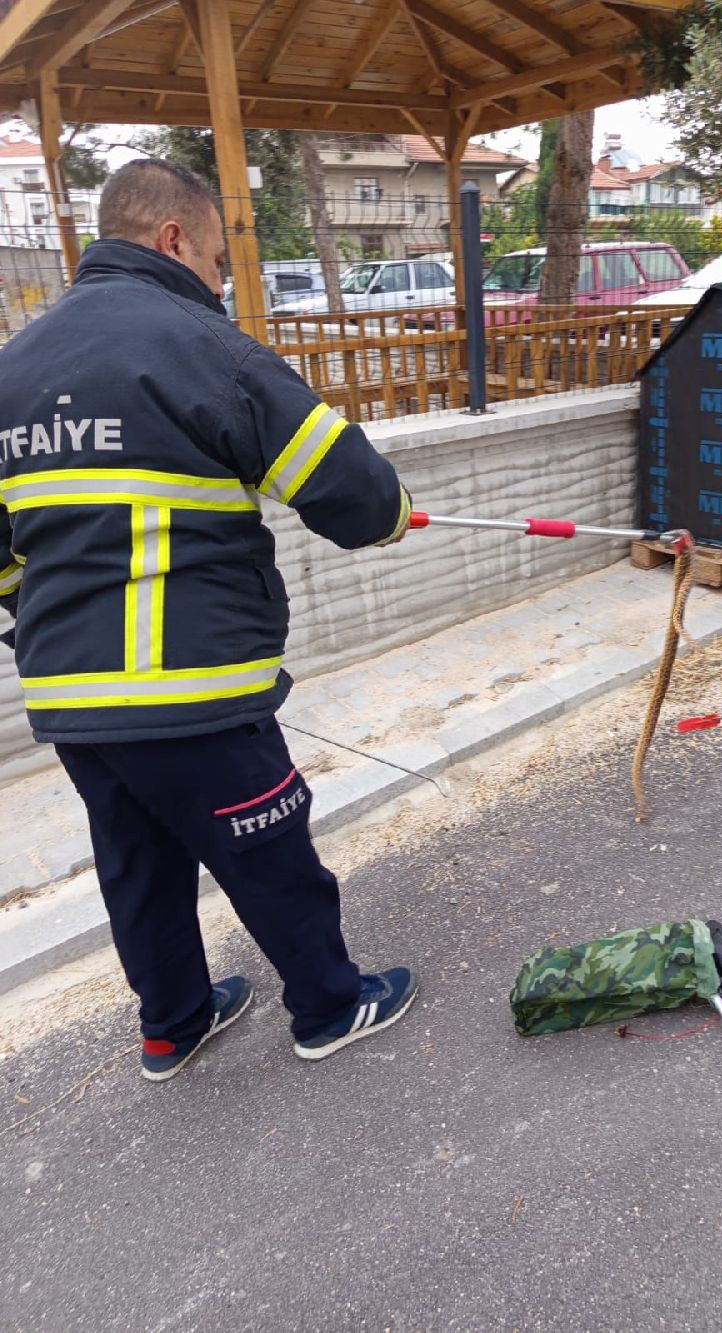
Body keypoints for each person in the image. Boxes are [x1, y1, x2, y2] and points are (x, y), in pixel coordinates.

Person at [0, 159, 417, 1081]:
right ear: (174, 239)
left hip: (69, 693)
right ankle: (330, 1006)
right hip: (191, 686)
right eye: (221, 261)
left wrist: (32, 617)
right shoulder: (202, 345)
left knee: (139, 864)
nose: (224, 283)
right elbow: (354, 492)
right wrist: (390, 515)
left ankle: (173, 1025)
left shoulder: (12, 366)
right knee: (269, 852)